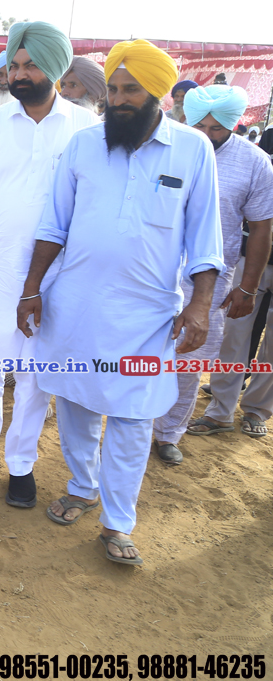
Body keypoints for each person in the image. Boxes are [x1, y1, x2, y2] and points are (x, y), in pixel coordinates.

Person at [17, 39, 224, 566]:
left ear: (159, 94)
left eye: (131, 90)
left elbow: (205, 240)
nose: (119, 99)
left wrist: (200, 306)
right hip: (76, 306)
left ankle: (118, 522)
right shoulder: (84, 145)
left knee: (133, 418)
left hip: (148, 315)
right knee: (77, 403)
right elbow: (53, 224)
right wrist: (31, 288)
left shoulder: (193, 149)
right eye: (112, 89)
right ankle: (82, 487)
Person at [0, 22, 99, 503]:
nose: (18, 74)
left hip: (53, 273)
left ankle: (21, 463)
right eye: (14, 65)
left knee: (35, 372)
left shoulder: (85, 128)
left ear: (54, 69)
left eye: (30, 65)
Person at [151, 85, 273, 460]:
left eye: (216, 128)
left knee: (189, 360)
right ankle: (132, 425)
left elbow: (261, 229)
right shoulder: (163, 149)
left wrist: (248, 287)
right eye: (199, 125)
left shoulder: (254, 163)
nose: (206, 134)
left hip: (210, 282)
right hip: (151, 271)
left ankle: (168, 434)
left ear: (233, 124)